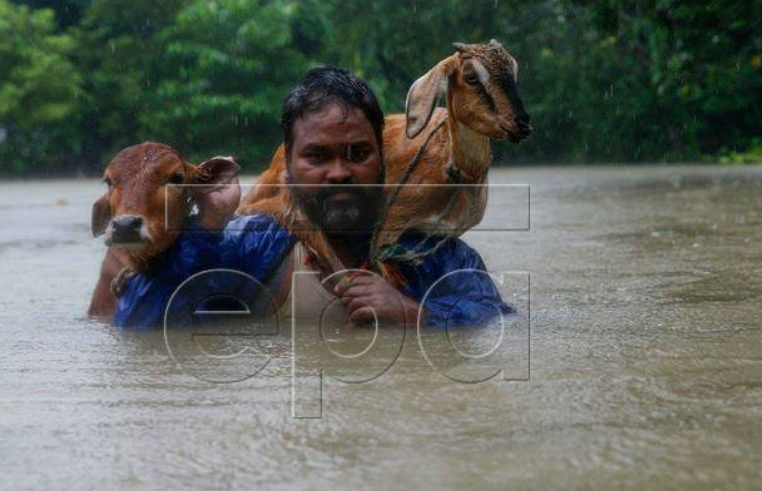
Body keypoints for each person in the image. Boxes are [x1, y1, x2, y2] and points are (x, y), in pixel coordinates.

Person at [114, 66, 510, 328]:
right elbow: (138, 325)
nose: (339, 172)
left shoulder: (434, 254)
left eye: (358, 153)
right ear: (288, 165)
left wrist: (415, 314)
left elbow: (498, 322)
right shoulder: (251, 243)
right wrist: (206, 226)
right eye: (317, 156)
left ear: (383, 159)